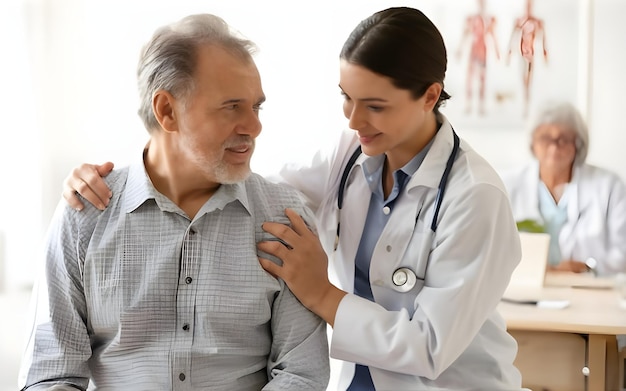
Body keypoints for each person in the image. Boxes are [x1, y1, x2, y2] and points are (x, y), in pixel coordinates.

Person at [61, 7, 525, 390]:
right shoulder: (352, 154)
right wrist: (106, 181)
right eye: (347, 97)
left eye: (375, 105)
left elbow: (427, 348)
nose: (354, 120)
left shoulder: (474, 197)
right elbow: (234, 177)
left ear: (429, 96)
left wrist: (321, 292)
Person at [18, 13, 330, 391]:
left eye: (256, 107)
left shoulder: (284, 219)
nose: (254, 126)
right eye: (232, 106)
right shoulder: (84, 217)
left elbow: (301, 375)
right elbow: (50, 376)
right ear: (166, 110)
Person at [500, 101, 626, 277]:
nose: (554, 147)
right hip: (525, 288)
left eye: (564, 139)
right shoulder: (508, 184)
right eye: (545, 138)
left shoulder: (609, 187)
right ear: (533, 143)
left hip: (588, 289)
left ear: (578, 144)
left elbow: (622, 252)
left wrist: (588, 268)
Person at [455, 0, 500, 116]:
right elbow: (465, 33)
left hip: (482, 50)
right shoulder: (471, 18)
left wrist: (497, 51)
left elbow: (493, 35)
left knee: (482, 78)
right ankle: (468, 104)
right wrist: (460, 48)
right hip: (473, 50)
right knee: (470, 78)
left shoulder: (489, 19)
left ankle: (481, 105)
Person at [506, 0, 548, 117]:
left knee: (528, 82)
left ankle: (527, 105)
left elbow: (543, 38)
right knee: (523, 80)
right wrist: (509, 52)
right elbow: (513, 37)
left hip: (531, 56)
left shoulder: (537, 22)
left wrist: (545, 53)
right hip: (522, 54)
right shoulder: (519, 21)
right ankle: (524, 104)